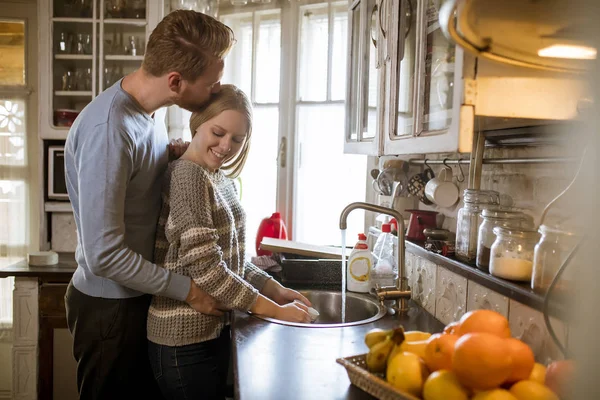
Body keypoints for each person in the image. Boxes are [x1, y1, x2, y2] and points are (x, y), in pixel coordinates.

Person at [63, 10, 235, 400]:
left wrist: (171, 158)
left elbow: (137, 190)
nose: (215, 90)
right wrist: (189, 290)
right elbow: (104, 255)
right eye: (212, 83)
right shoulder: (109, 130)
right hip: (109, 309)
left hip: (136, 297)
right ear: (175, 81)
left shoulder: (147, 113)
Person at [147, 84, 312, 400]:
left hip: (210, 332)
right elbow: (208, 271)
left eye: (238, 139)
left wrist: (273, 289)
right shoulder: (188, 176)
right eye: (218, 133)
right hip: (181, 341)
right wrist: (274, 310)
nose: (226, 146)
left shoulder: (219, 178)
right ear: (198, 123)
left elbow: (230, 259)